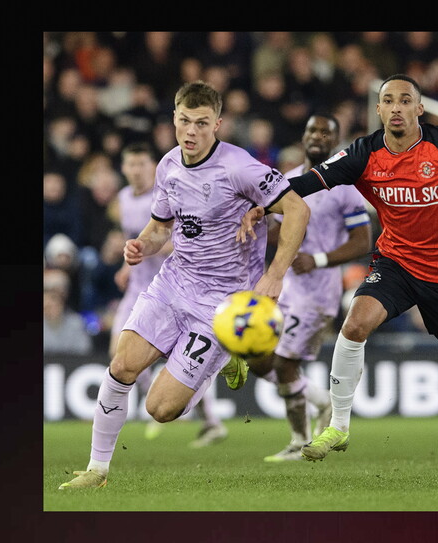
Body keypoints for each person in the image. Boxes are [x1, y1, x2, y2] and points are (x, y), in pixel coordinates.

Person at [238, 74, 438, 479]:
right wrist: (263, 206)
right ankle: (338, 426)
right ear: (378, 109)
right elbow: (306, 183)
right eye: (388, 100)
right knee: (354, 324)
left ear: (419, 109)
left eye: (405, 100)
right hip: (397, 263)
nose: (396, 107)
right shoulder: (363, 153)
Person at [59, 80, 311, 490]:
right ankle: (97, 470)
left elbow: (297, 209)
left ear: (218, 124)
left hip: (221, 303)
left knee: (160, 408)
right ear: (173, 120)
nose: (190, 131)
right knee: (121, 365)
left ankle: (229, 349)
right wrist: (141, 244)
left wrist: (275, 273)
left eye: (201, 123)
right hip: (174, 282)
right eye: (183, 121)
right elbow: (161, 227)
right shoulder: (168, 165)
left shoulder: (239, 166)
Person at [246, 113, 373, 462]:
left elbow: (363, 240)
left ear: (336, 141)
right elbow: (277, 230)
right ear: (303, 137)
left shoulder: (346, 187)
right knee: (257, 359)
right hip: (284, 287)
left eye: (326, 132)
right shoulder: (286, 180)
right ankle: (322, 403)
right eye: (312, 130)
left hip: (318, 294)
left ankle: (298, 441)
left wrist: (316, 259)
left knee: (286, 365)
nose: (318, 136)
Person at [109, 143, 227, 447]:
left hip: (174, 289)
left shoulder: (166, 192)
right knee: (118, 354)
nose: (136, 170)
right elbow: (133, 239)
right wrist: (128, 264)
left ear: (152, 166)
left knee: (179, 361)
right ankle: (159, 407)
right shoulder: (122, 199)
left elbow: (182, 238)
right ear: (123, 168)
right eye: (130, 164)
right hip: (138, 288)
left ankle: (206, 418)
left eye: (141, 164)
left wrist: (154, 247)